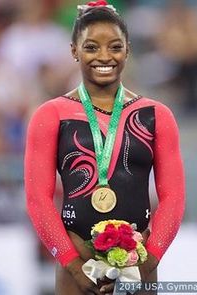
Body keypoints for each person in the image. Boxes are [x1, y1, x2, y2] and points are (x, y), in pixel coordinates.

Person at [24, 1, 185, 294]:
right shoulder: (51, 115)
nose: (104, 56)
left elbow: (174, 198)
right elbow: (38, 199)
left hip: (138, 261)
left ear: (128, 49)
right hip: (76, 263)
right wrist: (72, 263)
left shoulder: (155, 115)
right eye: (91, 47)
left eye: (114, 46)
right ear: (74, 50)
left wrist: (146, 262)